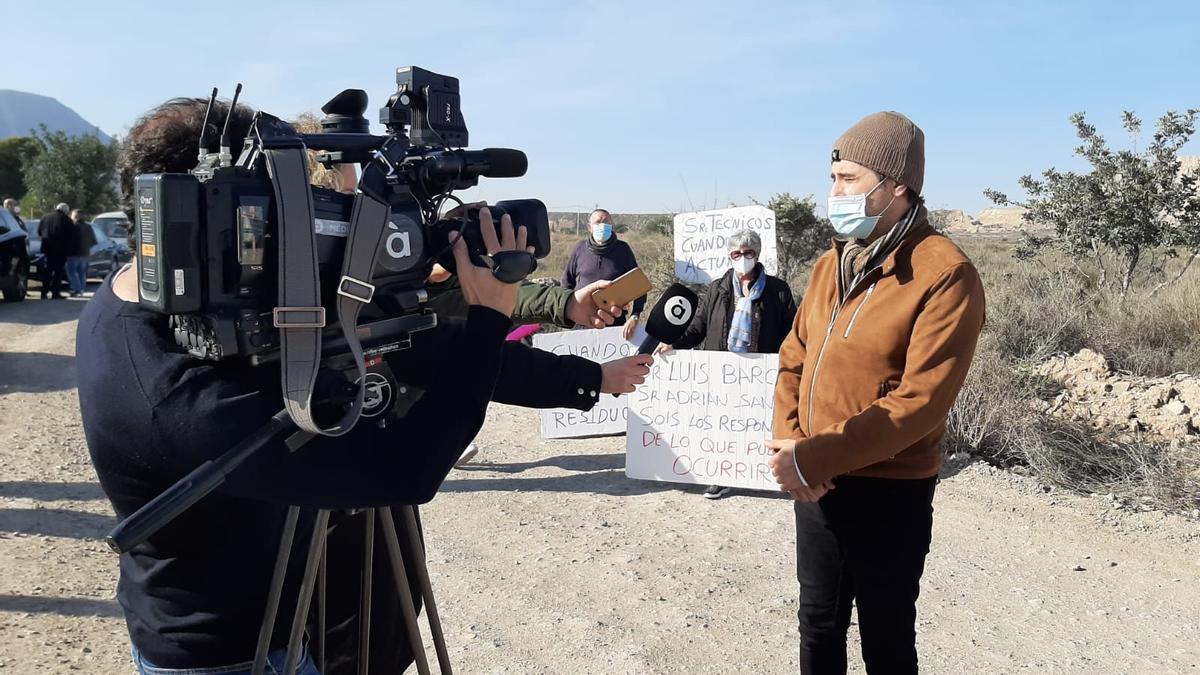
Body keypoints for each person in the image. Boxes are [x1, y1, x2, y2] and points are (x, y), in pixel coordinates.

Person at [83, 96, 652, 675]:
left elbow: (427, 351)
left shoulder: (203, 307)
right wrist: (490, 319)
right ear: (208, 207)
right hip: (231, 652)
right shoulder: (170, 390)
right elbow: (407, 468)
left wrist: (590, 375)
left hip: (293, 623)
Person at [765, 112, 985, 674]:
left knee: (886, 639)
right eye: (832, 177)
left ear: (898, 185)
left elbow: (920, 403)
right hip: (817, 485)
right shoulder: (827, 265)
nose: (833, 193)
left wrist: (811, 457)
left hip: (889, 491)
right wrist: (791, 444)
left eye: (849, 179)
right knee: (817, 625)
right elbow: (794, 360)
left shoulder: (944, 272)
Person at [657, 228, 797, 499]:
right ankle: (720, 477)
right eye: (736, 253)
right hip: (721, 372)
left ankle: (768, 475)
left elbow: (791, 330)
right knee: (722, 425)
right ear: (729, 256)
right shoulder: (717, 288)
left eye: (748, 253)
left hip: (761, 372)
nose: (742, 258)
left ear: (757, 254)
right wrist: (675, 343)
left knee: (762, 424)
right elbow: (698, 325)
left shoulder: (778, 290)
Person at [560, 208, 646, 341]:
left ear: (611, 226)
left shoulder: (623, 250)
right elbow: (566, 283)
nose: (602, 225)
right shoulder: (580, 249)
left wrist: (635, 316)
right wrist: (566, 314)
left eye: (606, 222)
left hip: (614, 321)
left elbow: (638, 285)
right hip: (582, 323)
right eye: (597, 222)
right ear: (589, 227)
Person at [37, 202, 77, 299]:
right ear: (66, 211)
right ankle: (55, 293)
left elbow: (39, 231)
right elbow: (72, 235)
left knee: (48, 270)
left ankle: (44, 292)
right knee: (58, 272)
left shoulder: (45, 218)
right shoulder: (66, 219)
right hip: (60, 250)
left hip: (47, 249)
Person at [67, 209, 97, 297]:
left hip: (73, 254)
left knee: (72, 272)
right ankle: (81, 289)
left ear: (75, 217)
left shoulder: (73, 227)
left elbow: (69, 241)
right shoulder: (88, 227)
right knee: (82, 273)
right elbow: (94, 241)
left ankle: (77, 290)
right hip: (85, 254)